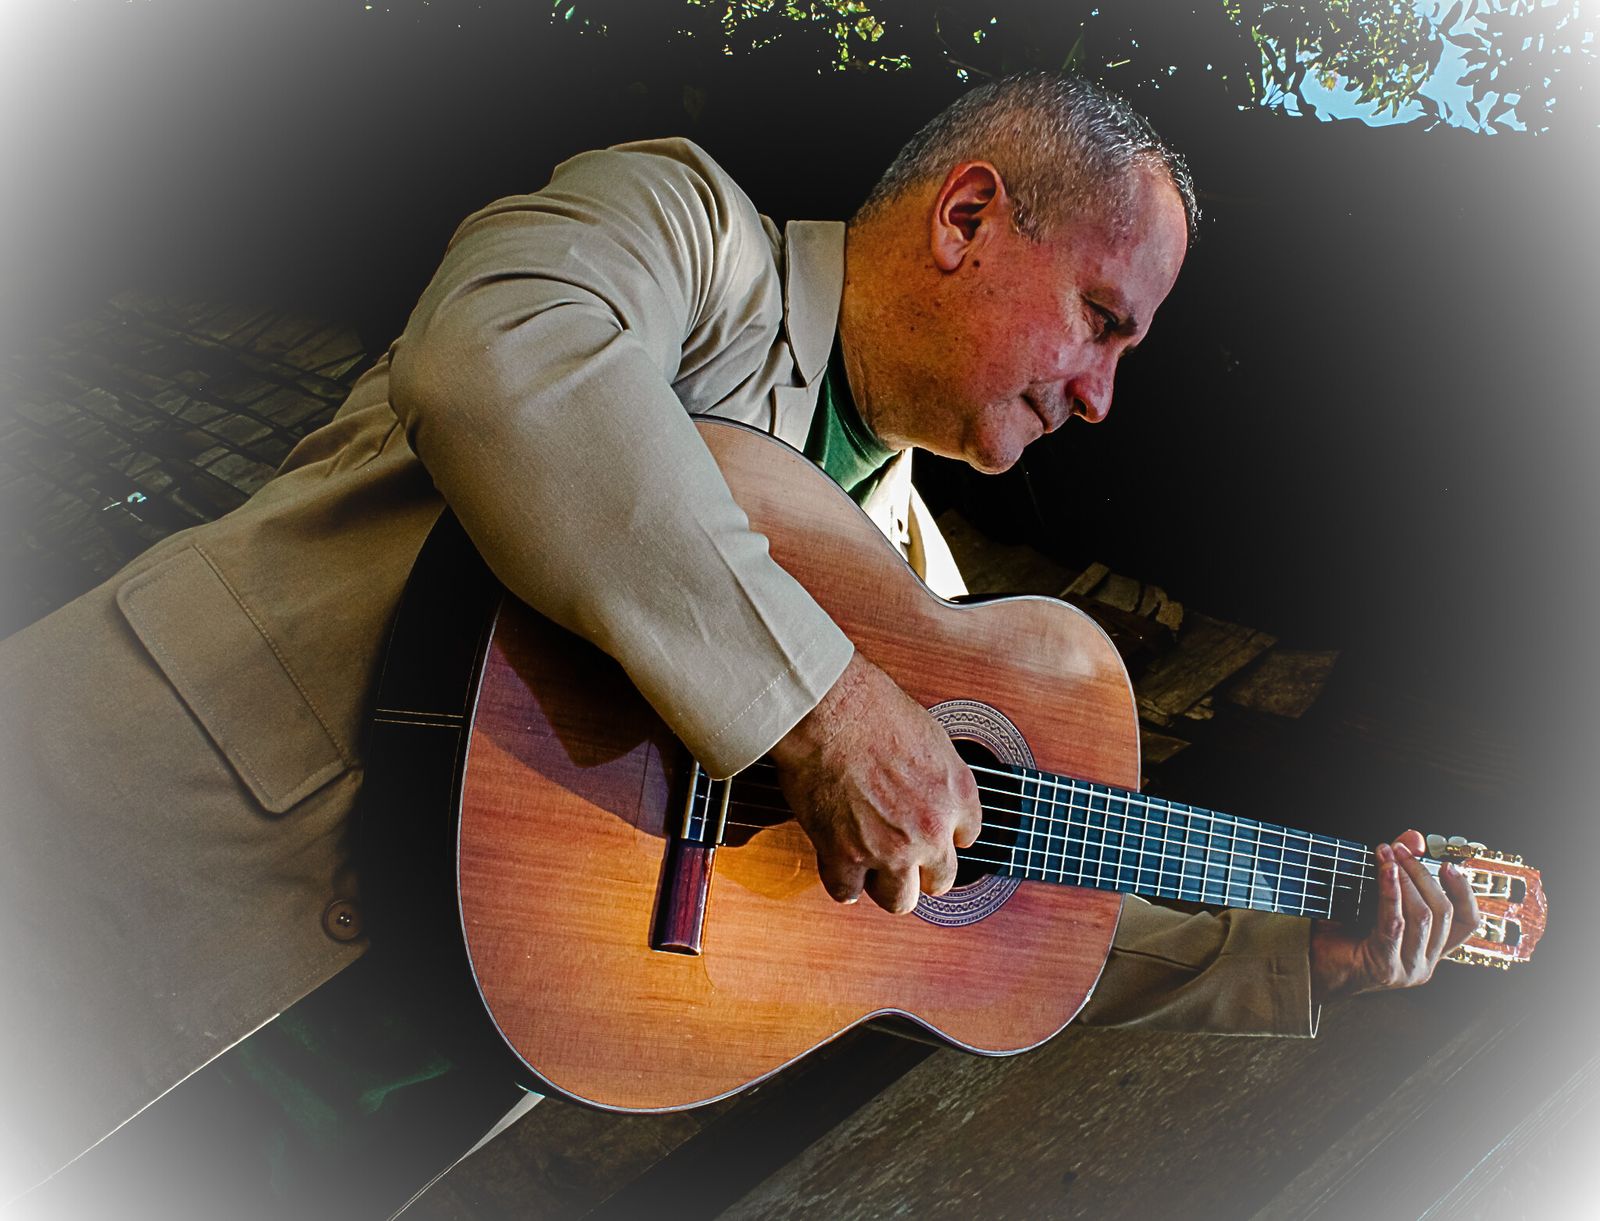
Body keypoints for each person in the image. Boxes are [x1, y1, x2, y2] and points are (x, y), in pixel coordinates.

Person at [0, 73, 1478, 1209]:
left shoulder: (927, 590)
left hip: (361, 1109)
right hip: (113, 869)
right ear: (967, 217)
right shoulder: (690, 232)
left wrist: (1303, 945)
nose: (1101, 396)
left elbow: (1018, 916)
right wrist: (821, 703)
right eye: (1101, 317)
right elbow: (500, 351)